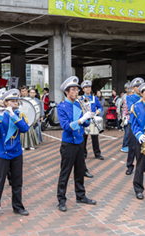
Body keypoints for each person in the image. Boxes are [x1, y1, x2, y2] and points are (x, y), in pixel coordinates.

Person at [0, 89, 30, 222]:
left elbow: (25, 128)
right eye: (12, 101)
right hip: (2, 154)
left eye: (16, 101)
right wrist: (0, 117)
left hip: (16, 153)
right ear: (5, 102)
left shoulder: (19, 114)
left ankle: (17, 206)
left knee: (17, 183)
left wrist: (13, 115)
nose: (15, 103)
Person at [56, 76, 97, 212]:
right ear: (66, 92)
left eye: (76, 90)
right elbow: (66, 127)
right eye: (73, 90)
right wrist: (81, 120)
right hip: (68, 143)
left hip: (79, 142)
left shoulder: (79, 104)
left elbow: (85, 123)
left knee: (80, 171)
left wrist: (88, 117)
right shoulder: (61, 106)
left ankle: (81, 196)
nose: (76, 92)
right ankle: (61, 199)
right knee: (65, 172)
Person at [126, 77, 145, 175]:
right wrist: (141, 100)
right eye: (136, 86)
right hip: (134, 124)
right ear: (133, 88)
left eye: (140, 85)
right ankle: (130, 166)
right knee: (132, 146)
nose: (138, 87)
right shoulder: (130, 97)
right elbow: (131, 108)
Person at [80, 80, 104, 179]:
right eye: (86, 87)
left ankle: (97, 153)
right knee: (84, 138)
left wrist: (98, 110)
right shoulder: (80, 98)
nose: (88, 89)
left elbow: (100, 107)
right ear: (83, 89)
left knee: (95, 138)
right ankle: (84, 154)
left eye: (89, 87)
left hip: (93, 119)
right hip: (85, 120)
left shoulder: (94, 98)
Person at [120, 82, 131, 153]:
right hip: (126, 118)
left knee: (129, 132)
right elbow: (124, 109)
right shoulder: (125, 98)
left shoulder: (130, 98)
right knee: (127, 132)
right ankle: (124, 146)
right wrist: (123, 118)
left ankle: (127, 145)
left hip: (129, 118)